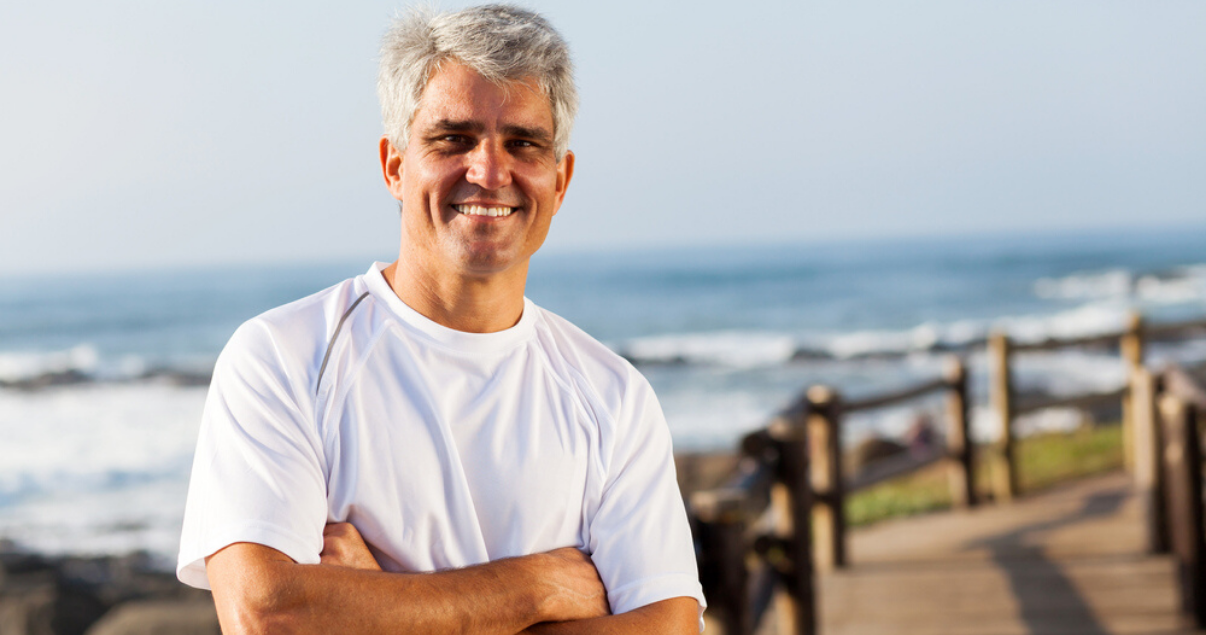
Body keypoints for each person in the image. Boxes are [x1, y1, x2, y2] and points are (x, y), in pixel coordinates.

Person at [175, 5, 705, 633]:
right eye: (453, 138)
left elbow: (668, 627)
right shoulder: (283, 358)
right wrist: (535, 588)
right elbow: (270, 614)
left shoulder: (613, 396)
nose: (488, 172)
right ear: (395, 166)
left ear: (559, 181)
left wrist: (375, 606)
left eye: (524, 144)